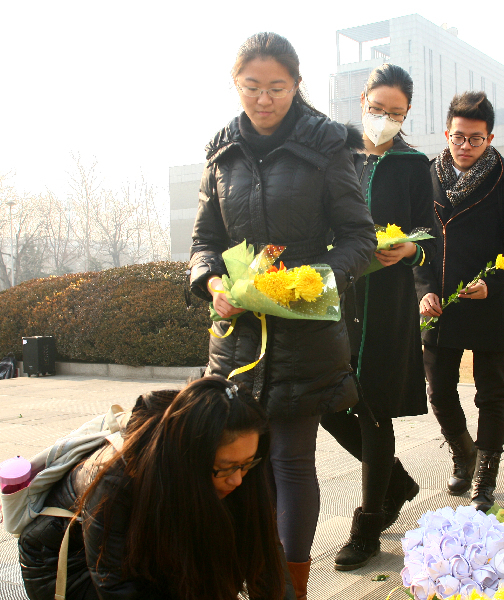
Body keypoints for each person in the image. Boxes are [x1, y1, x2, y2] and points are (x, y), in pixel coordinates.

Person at [188, 32, 376, 597]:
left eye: (276, 87)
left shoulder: (327, 146)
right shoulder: (222, 154)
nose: (264, 99)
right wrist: (212, 281)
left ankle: (289, 586)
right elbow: (204, 239)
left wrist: (313, 281)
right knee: (238, 464)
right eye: (252, 87)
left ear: (296, 85)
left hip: (305, 331)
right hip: (239, 339)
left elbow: (358, 237)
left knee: (292, 461)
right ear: (235, 85)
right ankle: (247, 572)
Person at [18, 376, 294, 600]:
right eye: (225, 467)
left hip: (148, 549)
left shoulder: (236, 467)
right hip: (69, 567)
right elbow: (114, 583)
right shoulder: (118, 480)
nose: (237, 480)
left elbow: (265, 550)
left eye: (247, 464)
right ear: (189, 453)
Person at [319, 64, 435, 570]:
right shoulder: (335, 153)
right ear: (362, 100)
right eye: (376, 108)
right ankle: (398, 480)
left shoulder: (413, 164)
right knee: (325, 402)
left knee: (373, 407)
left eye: (395, 112)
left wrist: (411, 250)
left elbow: (432, 235)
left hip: (387, 302)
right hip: (337, 299)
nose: (384, 118)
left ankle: (367, 527)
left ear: (406, 113)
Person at [415, 92, 504, 512]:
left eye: (476, 139)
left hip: (487, 302)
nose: (465, 147)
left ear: (489, 138)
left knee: (490, 394)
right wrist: (423, 289)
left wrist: (496, 282)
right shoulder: (427, 176)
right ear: (447, 132)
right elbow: (417, 242)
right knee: (439, 391)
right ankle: (462, 452)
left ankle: (485, 477)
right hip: (440, 305)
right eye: (459, 137)